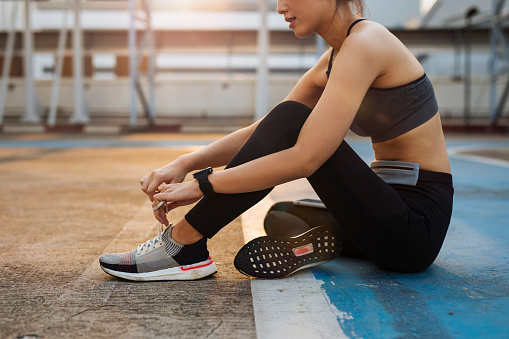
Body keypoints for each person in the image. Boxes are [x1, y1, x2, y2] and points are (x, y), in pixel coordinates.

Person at [99, 0, 453, 281]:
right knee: (285, 215)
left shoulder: (367, 42)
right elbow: (266, 129)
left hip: (414, 226)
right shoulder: (336, 57)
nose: (280, 7)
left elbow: (305, 157)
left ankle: (184, 243)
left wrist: (204, 184)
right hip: (384, 209)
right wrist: (185, 162)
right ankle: (322, 246)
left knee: (293, 120)